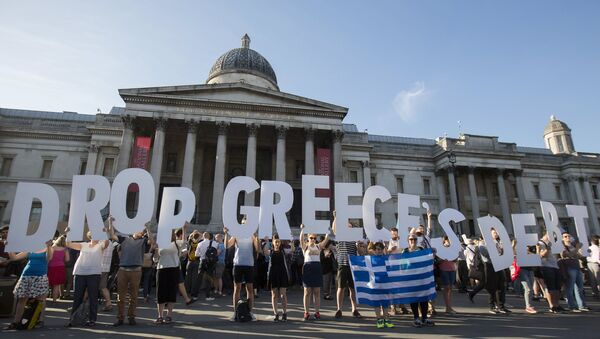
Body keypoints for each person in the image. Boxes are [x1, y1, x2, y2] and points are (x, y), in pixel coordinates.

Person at [65, 228, 109, 327]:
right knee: (77, 297)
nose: (97, 237)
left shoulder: (100, 245)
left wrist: (104, 233)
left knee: (93, 298)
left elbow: (106, 243)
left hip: (94, 274)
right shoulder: (83, 245)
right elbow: (68, 244)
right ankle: (73, 319)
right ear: (90, 236)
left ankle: (92, 320)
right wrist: (67, 233)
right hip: (80, 273)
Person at [4, 240, 53, 330]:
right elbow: (14, 258)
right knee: (22, 299)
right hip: (26, 275)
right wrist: (9, 248)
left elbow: (49, 258)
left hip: (40, 276)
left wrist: (49, 247)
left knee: (40, 300)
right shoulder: (30, 249)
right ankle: (16, 322)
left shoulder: (48, 248)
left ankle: (39, 320)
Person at [110, 221, 150, 326]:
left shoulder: (143, 241)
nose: (140, 232)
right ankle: (120, 318)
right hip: (123, 270)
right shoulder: (124, 239)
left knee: (134, 296)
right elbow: (112, 235)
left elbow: (151, 241)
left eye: (142, 231)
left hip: (136, 271)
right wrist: (111, 223)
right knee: (121, 296)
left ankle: (131, 317)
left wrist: (147, 228)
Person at [153, 223, 188, 324]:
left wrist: (184, 228)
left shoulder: (177, 243)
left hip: (174, 269)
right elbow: (155, 259)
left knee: (171, 292)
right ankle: (160, 316)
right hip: (161, 269)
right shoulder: (160, 244)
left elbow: (185, 241)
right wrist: (155, 251)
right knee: (160, 293)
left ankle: (169, 315)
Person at [224, 224, 260, 322]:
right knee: (237, 288)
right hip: (238, 263)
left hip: (249, 264)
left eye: (247, 223)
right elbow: (227, 245)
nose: (245, 225)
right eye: (243, 223)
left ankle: (250, 312)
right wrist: (226, 234)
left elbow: (257, 249)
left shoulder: (252, 235)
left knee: (250, 289)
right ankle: (235, 312)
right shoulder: (236, 235)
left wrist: (256, 237)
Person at [332, 212, 362, 319]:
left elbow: (359, 251)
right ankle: (339, 309)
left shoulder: (354, 238)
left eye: (349, 225)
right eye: (346, 225)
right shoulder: (340, 236)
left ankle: (354, 309)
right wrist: (335, 217)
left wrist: (358, 246)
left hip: (353, 265)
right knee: (341, 288)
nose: (348, 226)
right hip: (342, 265)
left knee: (352, 289)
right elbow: (334, 229)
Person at [299, 223, 330, 321]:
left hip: (316, 268)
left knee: (317, 292)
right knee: (307, 292)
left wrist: (327, 231)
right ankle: (306, 312)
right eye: (311, 237)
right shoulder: (305, 247)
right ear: (308, 238)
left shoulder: (318, 246)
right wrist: (302, 230)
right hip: (308, 268)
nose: (312, 239)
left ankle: (317, 312)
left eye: (314, 238)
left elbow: (326, 239)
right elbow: (300, 240)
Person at [404, 233, 434, 327]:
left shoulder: (421, 250)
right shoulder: (405, 251)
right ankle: (416, 318)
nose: (413, 241)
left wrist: (432, 254)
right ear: (408, 241)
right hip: (411, 278)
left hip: (422, 278)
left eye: (415, 239)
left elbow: (427, 261)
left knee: (424, 298)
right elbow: (402, 265)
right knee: (414, 298)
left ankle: (424, 318)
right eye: (411, 239)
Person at [560, 232, 589, 312]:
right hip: (569, 268)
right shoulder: (562, 246)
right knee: (570, 288)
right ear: (562, 238)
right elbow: (568, 255)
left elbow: (579, 256)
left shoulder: (572, 245)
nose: (567, 237)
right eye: (565, 236)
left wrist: (584, 251)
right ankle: (572, 306)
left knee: (579, 288)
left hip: (577, 267)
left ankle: (582, 305)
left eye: (569, 236)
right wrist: (577, 248)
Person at [537, 233, 565, 313]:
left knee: (557, 287)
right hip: (546, 266)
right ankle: (552, 306)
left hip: (555, 266)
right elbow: (540, 255)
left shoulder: (553, 243)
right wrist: (548, 248)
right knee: (551, 287)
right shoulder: (540, 243)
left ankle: (557, 304)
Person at [368, 241, 394, 329]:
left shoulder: (387, 259)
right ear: (374, 250)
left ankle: (386, 319)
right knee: (376, 303)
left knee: (385, 303)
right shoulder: (370, 259)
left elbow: (390, 270)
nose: (378, 251)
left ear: (383, 250)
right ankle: (379, 320)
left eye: (380, 249)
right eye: (376, 249)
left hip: (385, 284)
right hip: (375, 285)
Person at [267, 235, 290, 321]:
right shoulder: (270, 252)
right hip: (273, 274)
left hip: (282, 273)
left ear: (280, 243)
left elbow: (293, 250)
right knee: (274, 295)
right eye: (275, 241)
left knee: (283, 295)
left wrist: (291, 239)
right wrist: (266, 242)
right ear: (273, 242)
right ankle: (276, 313)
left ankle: (284, 313)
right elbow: (262, 251)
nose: (277, 243)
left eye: (278, 241)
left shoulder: (283, 251)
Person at [195, 232, 219, 301]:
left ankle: (195, 295)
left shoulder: (200, 243)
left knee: (199, 278)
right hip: (210, 263)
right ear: (209, 236)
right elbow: (216, 253)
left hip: (202, 261)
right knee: (208, 279)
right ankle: (207, 296)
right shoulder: (214, 243)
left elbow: (196, 254)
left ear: (203, 236)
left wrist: (202, 254)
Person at [99, 218, 116, 312]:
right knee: (103, 287)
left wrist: (110, 223)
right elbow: (111, 232)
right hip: (105, 268)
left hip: (99, 267)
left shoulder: (103, 243)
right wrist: (110, 222)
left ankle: (81, 305)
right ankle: (108, 303)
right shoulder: (110, 243)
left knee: (90, 286)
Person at [438, 236, 458, 314]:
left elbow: (455, 259)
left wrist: (454, 257)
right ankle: (447, 307)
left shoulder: (452, 248)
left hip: (452, 269)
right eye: (448, 240)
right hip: (444, 269)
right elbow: (438, 260)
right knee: (446, 287)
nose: (449, 242)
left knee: (450, 288)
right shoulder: (441, 249)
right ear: (445, 241)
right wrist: (443, 259)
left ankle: (449, 306)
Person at [48, 235, 69, 302]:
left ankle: (45, 299)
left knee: (49, 283)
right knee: (56, 285)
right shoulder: (65, 249)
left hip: (51, 267)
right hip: (60, 267)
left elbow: (49, 258)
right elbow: (67, 259)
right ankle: (54, 301)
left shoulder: (52, 248)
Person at [185, 231, 201, 299]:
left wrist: (192, 234)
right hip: (196, 261)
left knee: (188, 277)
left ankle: (186, 290)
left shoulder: (190, 242)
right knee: (194, 277)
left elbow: (189, 238)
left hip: (189, 261)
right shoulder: (199, 243)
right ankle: (193, 292)